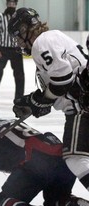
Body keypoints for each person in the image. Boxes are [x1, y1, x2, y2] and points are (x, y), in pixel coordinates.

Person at [7, 8, 89, 193]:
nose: (18, 41)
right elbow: (60, 82)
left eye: (17, 36)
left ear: (24, 28)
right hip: (80, 102)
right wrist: (34, 102)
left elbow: (63, 79)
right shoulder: (51, 38)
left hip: (81, 105)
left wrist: (41, 99)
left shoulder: (41, 42)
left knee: (76, 159)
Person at [0, 106, 89, 206]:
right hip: (62, 159)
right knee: (55, 198)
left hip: (35, 165)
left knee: (1, 202)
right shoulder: (8, 123)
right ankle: (74, 204)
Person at [0, 0, 24, 103]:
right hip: (2, 50)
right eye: (10, 3)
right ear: (7, 4)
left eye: (13, 4)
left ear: (16, 5)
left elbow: (23, 33)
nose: (11, 5)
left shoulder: (20, 18)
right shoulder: (0, 17)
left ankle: (19, 97)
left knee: (19, 75)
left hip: (16, 50)